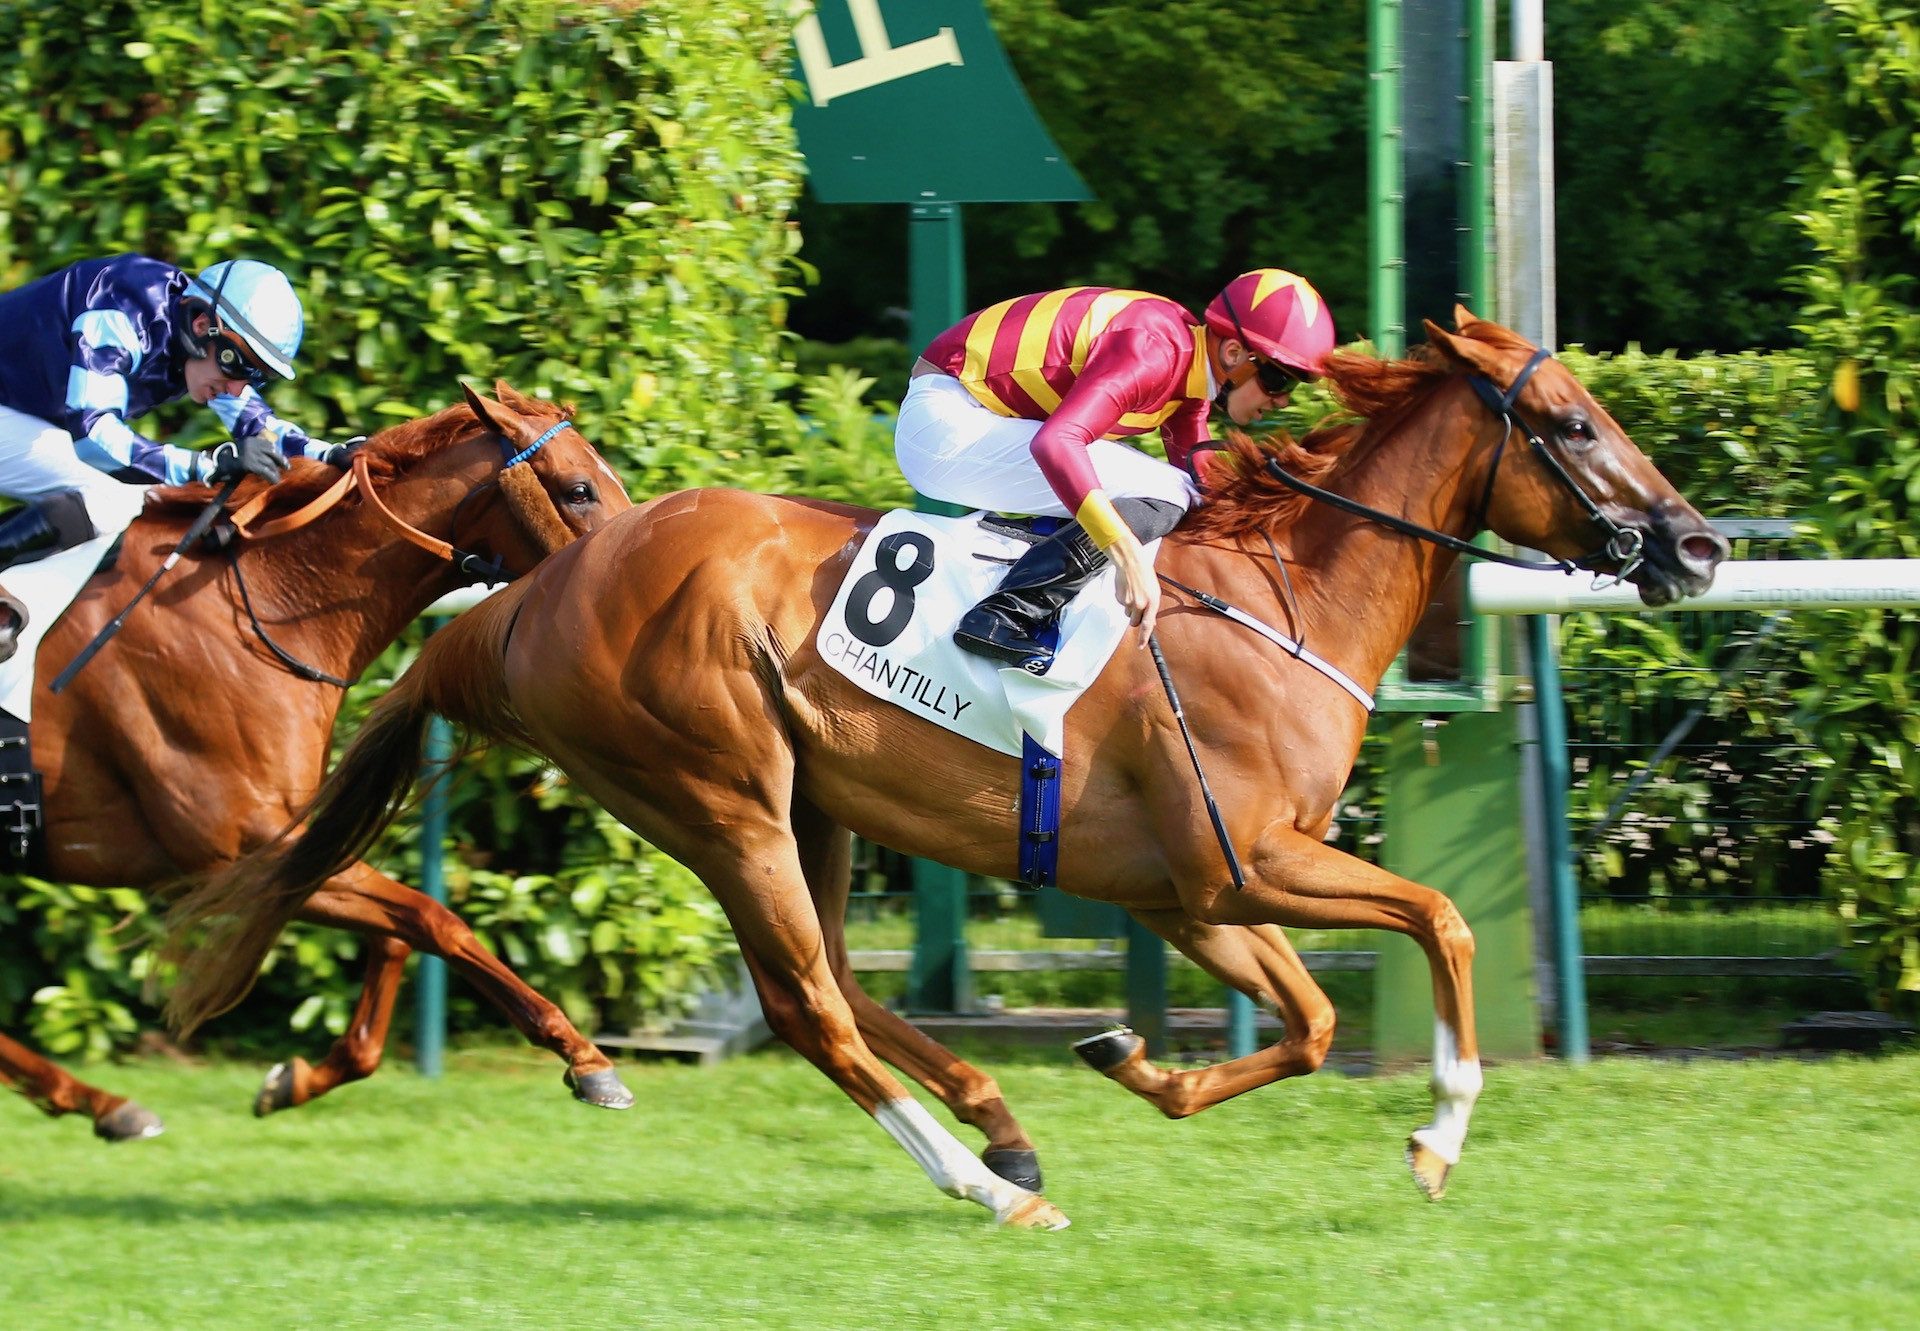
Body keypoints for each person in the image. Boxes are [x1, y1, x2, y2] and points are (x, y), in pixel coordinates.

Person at [895, 268, 1336, 673]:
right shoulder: (1156, 352)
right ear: (1234, 351)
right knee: (1169, 489)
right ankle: (1006, 613)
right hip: (945, 426)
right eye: (1279, 380)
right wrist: (1126, 555)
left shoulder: (1188, 371)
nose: (1282, 400)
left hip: (971, 419)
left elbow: (1204, 478)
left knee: (1182, 491)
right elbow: (1056, 443)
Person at [0, 254, 346, 660]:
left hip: (19, 417)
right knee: (114, 497)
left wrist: (336, 453)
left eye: (254, 375)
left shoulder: (199, 349)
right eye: (238, 365)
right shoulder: (121, 308)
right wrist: (208, 466)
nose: (238, 389)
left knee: (124, 517)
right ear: (201, 326)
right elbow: (92, 434)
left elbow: (261, 429)